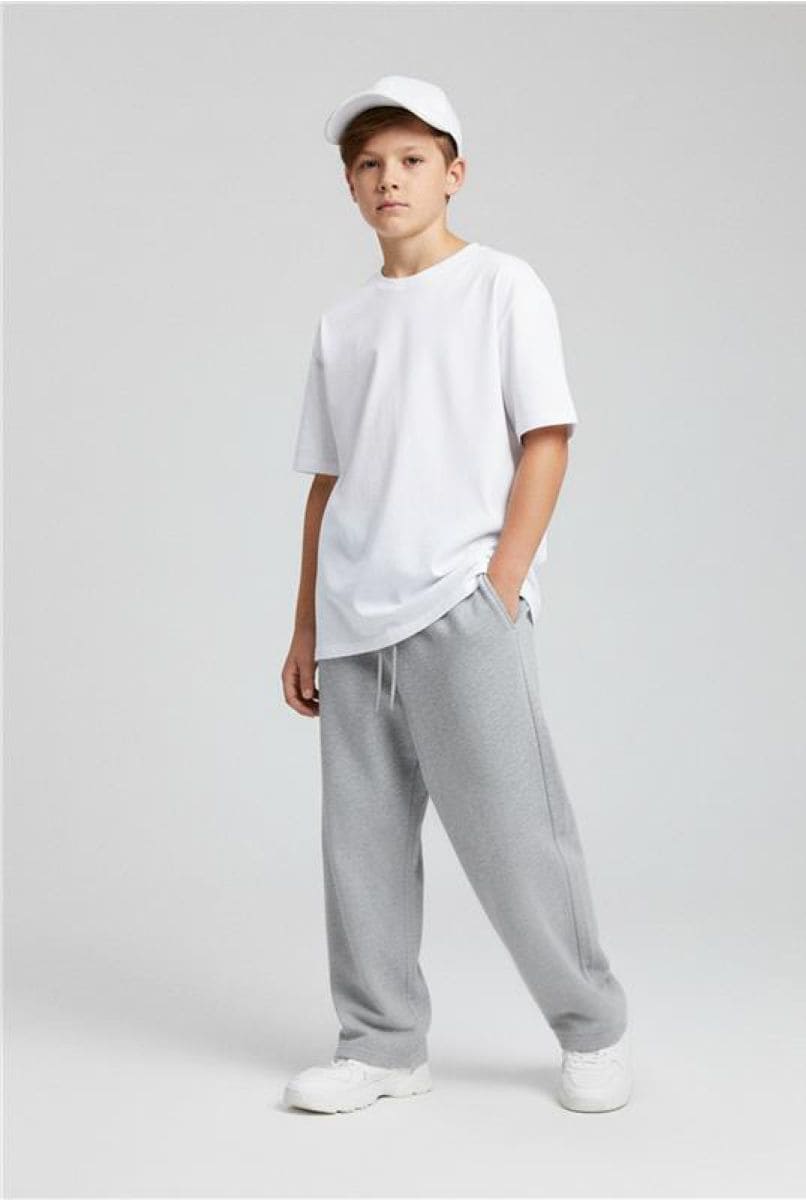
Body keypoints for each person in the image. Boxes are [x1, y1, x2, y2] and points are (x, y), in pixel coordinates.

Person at [281, 75, 632, 1115]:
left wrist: (499, 587)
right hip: (352, 623)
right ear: (350, 186)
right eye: (368, 165)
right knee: (362, 851)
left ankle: (591, 1028)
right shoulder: (343, 324)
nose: (388, 179)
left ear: (453, 173)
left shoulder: (502, 287)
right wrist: (304, 623)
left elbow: (546, 438)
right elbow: (328, 482)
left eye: (410, 160)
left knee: (517, 838)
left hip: (459, 607)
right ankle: (383, 1045)